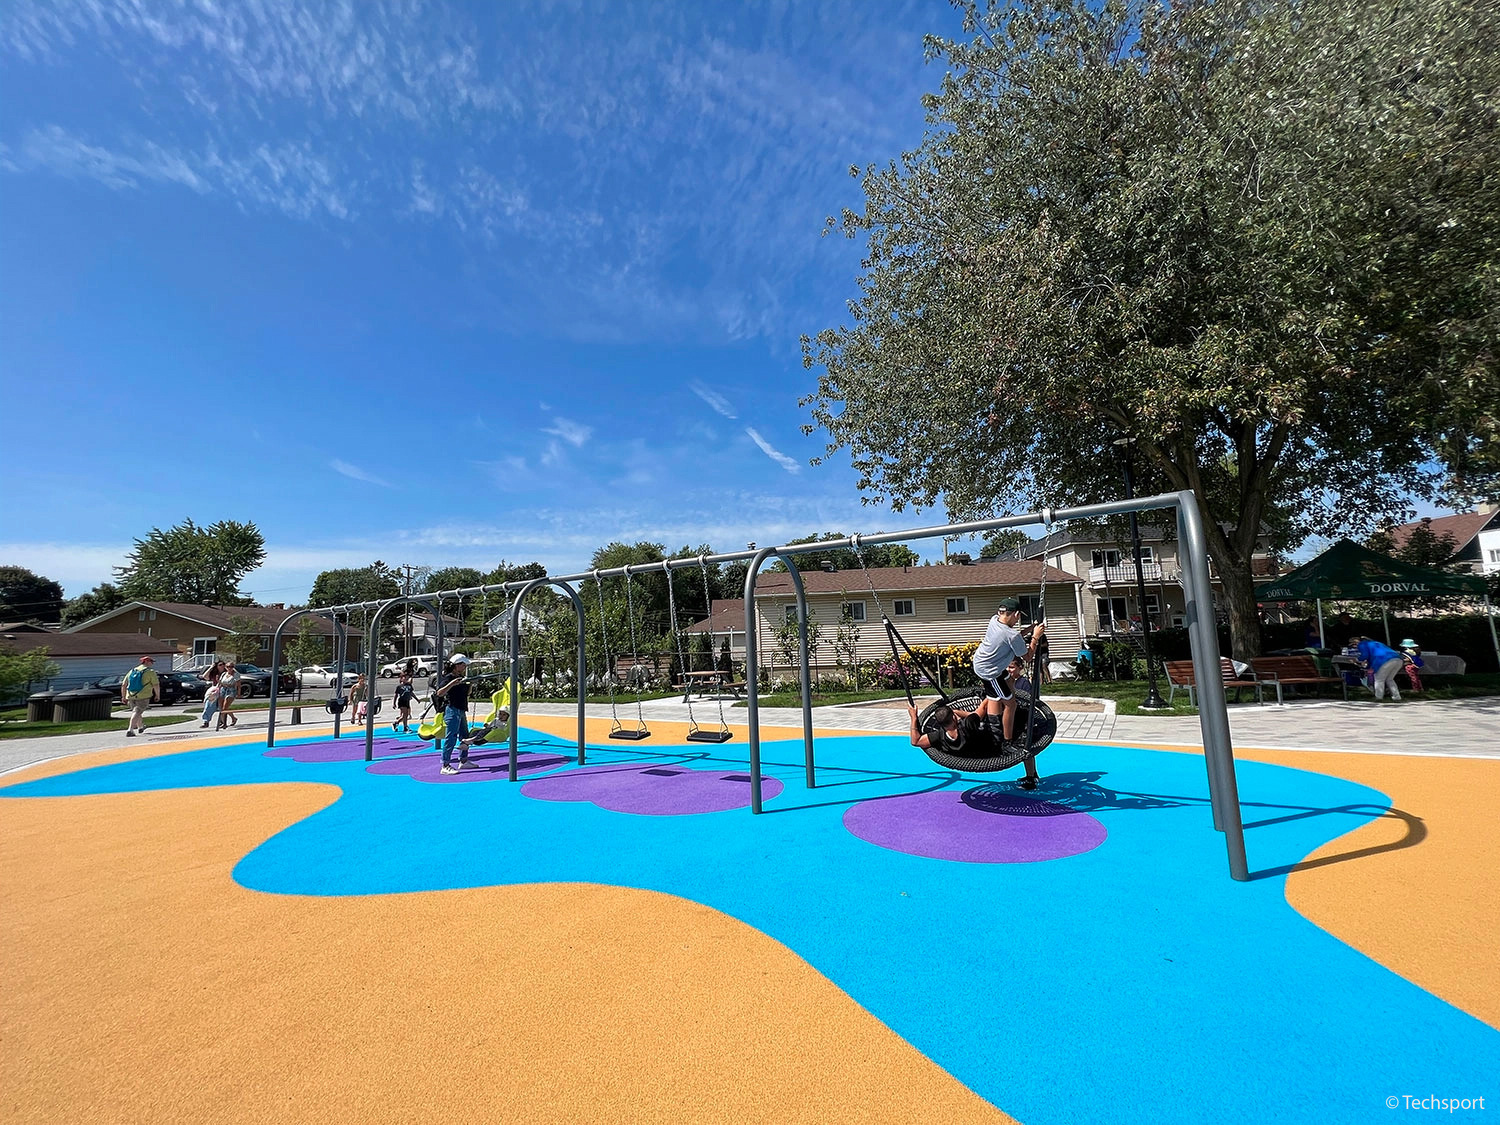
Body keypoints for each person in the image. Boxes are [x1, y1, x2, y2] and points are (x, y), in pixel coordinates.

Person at [971, 597, 1045, 751]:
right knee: (1011, 704)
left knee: (1009, 681)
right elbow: (1028, 656)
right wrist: (1035, 637)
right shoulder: (1010, 635)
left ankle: (1000, 711)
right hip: (989, 672)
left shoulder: (994, 620)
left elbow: (1014, 636)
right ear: (1016, 614)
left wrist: (1031, 628)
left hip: (984, 663)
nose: (1018, 619)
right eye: (1019, 616)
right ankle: (1006, 742)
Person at [432, 653, 473, 773]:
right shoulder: (449, 678)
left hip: (461, 709)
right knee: (451, 737)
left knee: (465, 737)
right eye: (463, 665)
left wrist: (470, 685)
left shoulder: (461, 678)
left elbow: (467, 694)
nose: (465, 667)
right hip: (452, 709)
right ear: (456, 665)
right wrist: (452, 683)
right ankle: (445, 765)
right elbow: (439, 693)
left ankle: (463, 760)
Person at [1351, 636, 1406, 701]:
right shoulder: (1376, 643)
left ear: (1355, 642)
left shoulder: (1362, 644)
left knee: (1379, 680)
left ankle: (1379, 698)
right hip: (1397, 659)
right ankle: (1397, 697)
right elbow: (1371, 660)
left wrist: (1357, 660)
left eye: (1353, 644)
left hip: (1384, 660)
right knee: (1390, 679)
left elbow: (1365, 655)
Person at [121, 655, 160, 737]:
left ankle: (140, 727)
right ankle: (130, 729)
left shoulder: (132, 671)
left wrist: (123, 696)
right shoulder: (150, 672)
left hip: (131, 695)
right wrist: (157, 695)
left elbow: (124, 684)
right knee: (137, 712)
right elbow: (156, 685)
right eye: (151, 661)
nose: (152, 663)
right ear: (146, 662)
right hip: (143, 696)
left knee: (137, 712)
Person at [199, 659, 226, 728]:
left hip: (224, 691)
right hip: (214, 692)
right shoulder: (214, 674)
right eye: (220, 665)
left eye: (223, 665)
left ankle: (223, 722)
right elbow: (205, 676)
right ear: (217, 666)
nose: (222, 666)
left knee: (222, 707)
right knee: (209, 706)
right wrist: (211, 667)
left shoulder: (227, 673)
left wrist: (229, 668)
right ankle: (206, 722)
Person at [215, 660, 242, 729]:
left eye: (231, 666)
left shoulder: (236, 674)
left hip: (231, 690)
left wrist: (239, 693)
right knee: (221, 707)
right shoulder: (224, 674)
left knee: (225, 707)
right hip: (223, 690)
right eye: (228, 667)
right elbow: (220, 683)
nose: (229, 668)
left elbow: (239, 684)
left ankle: (224, 723)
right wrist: (217, 687)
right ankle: (233, 718)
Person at [392, 667, 417, 733]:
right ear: (401, 679)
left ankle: (396, 723)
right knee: (405, 714)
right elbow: (396, 695)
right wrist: (394, 703)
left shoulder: (409, 686)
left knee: (405, 715)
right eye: (404, 677)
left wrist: (417, 699)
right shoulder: (399, 686)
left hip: (407, 701)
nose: (406, 679)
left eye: (407, 678)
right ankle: (405, 727)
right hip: (402, 701)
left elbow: (411, 693)